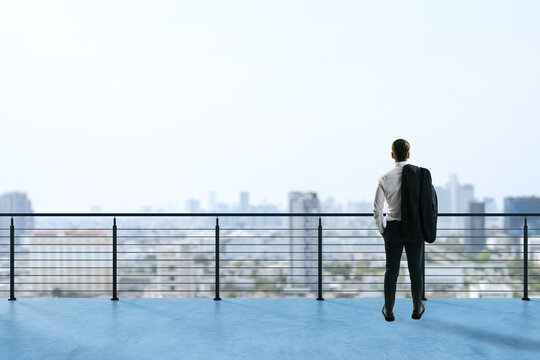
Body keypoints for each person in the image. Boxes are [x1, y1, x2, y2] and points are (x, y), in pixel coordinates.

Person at [373, 139, 425, 322]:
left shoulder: (384, 178)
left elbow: (377, 210)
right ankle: (417, 308)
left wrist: (382, 231)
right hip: (414, 229)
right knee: (415, 272)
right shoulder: (419, 175)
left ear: (392, 155)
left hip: (393, 229)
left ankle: (388, 310)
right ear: (409, 155)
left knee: (391, 272)